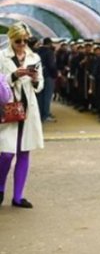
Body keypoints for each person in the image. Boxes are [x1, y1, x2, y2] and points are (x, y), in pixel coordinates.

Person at [0, 22, 45, 209]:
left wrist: (34, 80)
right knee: (6, 154)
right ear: (11, 39)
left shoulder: (34, 57)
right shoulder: (2, 57)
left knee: (24, 151)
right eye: (18, 41)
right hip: (9, 107)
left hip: (28, 109)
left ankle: (18, 196)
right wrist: (13, 76)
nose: (22, 44)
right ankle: (0, 188)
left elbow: (40, 85)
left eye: (25, 40)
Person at [36, 38, 57, 123]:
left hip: (40, 75)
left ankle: (40, 114)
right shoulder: (49, 52)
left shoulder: (37, 52)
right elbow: (52, 65)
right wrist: (55, 75)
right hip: (48, 76)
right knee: (47, 96)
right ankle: (46, 115)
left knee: (40, 96)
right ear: (50, 43)